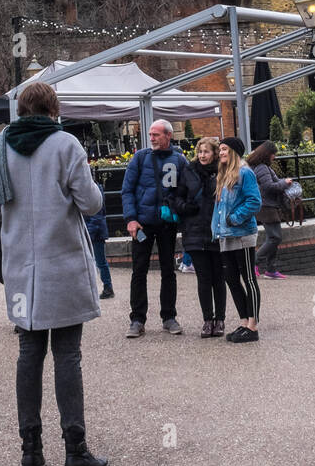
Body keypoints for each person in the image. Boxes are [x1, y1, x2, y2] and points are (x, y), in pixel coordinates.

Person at [0, 81, 109, 466]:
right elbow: (90, 203)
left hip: (22, 264)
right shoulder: (66, 145)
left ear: (21, 109)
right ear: (53, 110)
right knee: (67, 355)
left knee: (28, 353)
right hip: (62, 263)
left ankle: (30, 452)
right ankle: (75, 450)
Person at [121, 119, 188, 338]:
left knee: (168, 270)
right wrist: (131, 219)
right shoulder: (140, 158)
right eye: (150, 135)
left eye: (156, 135)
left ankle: (168, 317)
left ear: (168, 136)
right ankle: (137, 319)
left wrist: (180, 209)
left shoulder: (179, 160)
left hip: (167, 224)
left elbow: (187, 189)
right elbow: (127, 190)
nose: (152, 138)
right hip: (142, 224)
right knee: (139, 270)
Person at [169, 136, 226, 337]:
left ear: (214, 153)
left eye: (206, 152)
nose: (202, 155)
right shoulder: (188, 171)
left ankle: (220, 319)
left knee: (218, 278)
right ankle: (207, 320)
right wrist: (185, 207)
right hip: (194, 231)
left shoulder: (223, 171)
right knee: (203, 278)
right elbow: (176, 198)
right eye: (200, 151)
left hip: (216, 231)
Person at [212, 136, 262, 343]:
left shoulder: (245, 173)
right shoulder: (224, 175)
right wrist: (217, 228)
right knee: (232, 279)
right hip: (226, 235)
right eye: (220, 150)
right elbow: (218, 207)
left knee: (248, 279)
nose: (221, 153)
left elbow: (255, 201)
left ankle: (253, 325)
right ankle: (243, 322)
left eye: (224, 149)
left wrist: (234, 218)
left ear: (234, 151)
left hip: (242, 235)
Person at [248, 140, 293, 279]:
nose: (274, 157)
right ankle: (253, 262)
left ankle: (271, 269)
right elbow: (269, 186)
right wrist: (284, 183)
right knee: (275, 237)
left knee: (272, 237)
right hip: (267, 206)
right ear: (268, 154)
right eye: (273, 154)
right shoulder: (262, 167)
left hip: (269, 205)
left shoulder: (259, 166)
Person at [85, 193, 114, 299]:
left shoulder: (94, 191)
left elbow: (96, 217)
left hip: (95, 233)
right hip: (96, 232)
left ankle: (108, 288)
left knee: (100, 262)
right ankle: (107, 287)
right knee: (100, 262)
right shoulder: (96, 190)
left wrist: (87, 234)